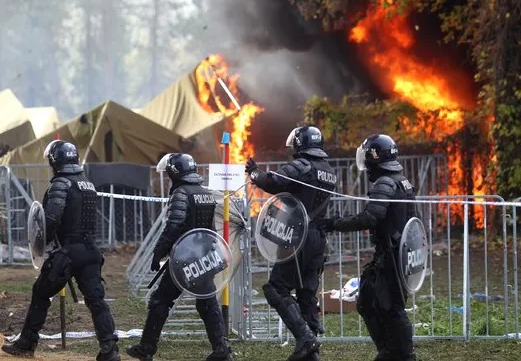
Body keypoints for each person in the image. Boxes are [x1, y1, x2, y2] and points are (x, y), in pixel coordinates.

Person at [1, 140, 120, 361]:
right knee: (96, 301)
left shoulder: (61, 184)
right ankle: (110, 350)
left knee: (41, 292)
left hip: (68, 252)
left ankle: (27, 343)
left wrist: (42, 242)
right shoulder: (87, 183)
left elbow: (52, 217)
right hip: (91, 251)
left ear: (55, 160)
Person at [126, 153, 233, 361]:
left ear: (175, 173)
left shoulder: (181, 194)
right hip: (202, 258)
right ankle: (222, 350)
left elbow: (173, 226)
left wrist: (158, 253)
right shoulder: (205, 193)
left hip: (184, 260)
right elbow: (211, 230)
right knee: (207, 302)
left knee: (160, 300)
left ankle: (146, 348)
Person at [245, 126, 337, 361]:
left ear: (300, 144)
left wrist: (254, 173)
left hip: (298, 237)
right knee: (307, 295)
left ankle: (306, 339)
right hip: (318, 239)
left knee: (276, 288)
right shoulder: (328, 170)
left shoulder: (303, 166)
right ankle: (311, 353)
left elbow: (274, 181)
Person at [322, 134, 417, 361]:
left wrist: (335, 223)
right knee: (368, 299)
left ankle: (401, 354)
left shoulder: (385, 182)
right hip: (396, 253)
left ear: (375, 157)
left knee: (391, 307)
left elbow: (370, 217)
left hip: (392, 255)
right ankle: (389, 350)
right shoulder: (400, 179)